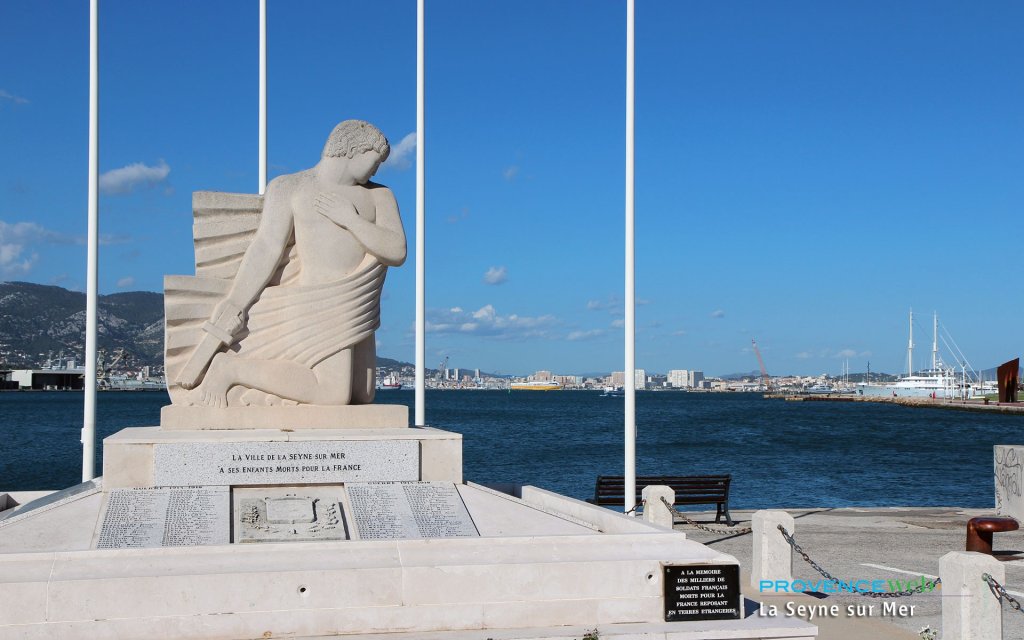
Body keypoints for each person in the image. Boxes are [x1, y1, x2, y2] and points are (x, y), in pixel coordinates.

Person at [179, 120, 406, 407]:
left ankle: (250, 377)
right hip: (319, 300)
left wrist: (350, 219)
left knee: (362, 394)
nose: (377, 170)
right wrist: (237, 301)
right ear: (351, 150)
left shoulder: (379, 196)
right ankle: (230, 368)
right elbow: (267, 248)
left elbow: (396, 250)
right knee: (332, 395)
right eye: (374, 161)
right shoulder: (291, 187)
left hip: (358, 302)